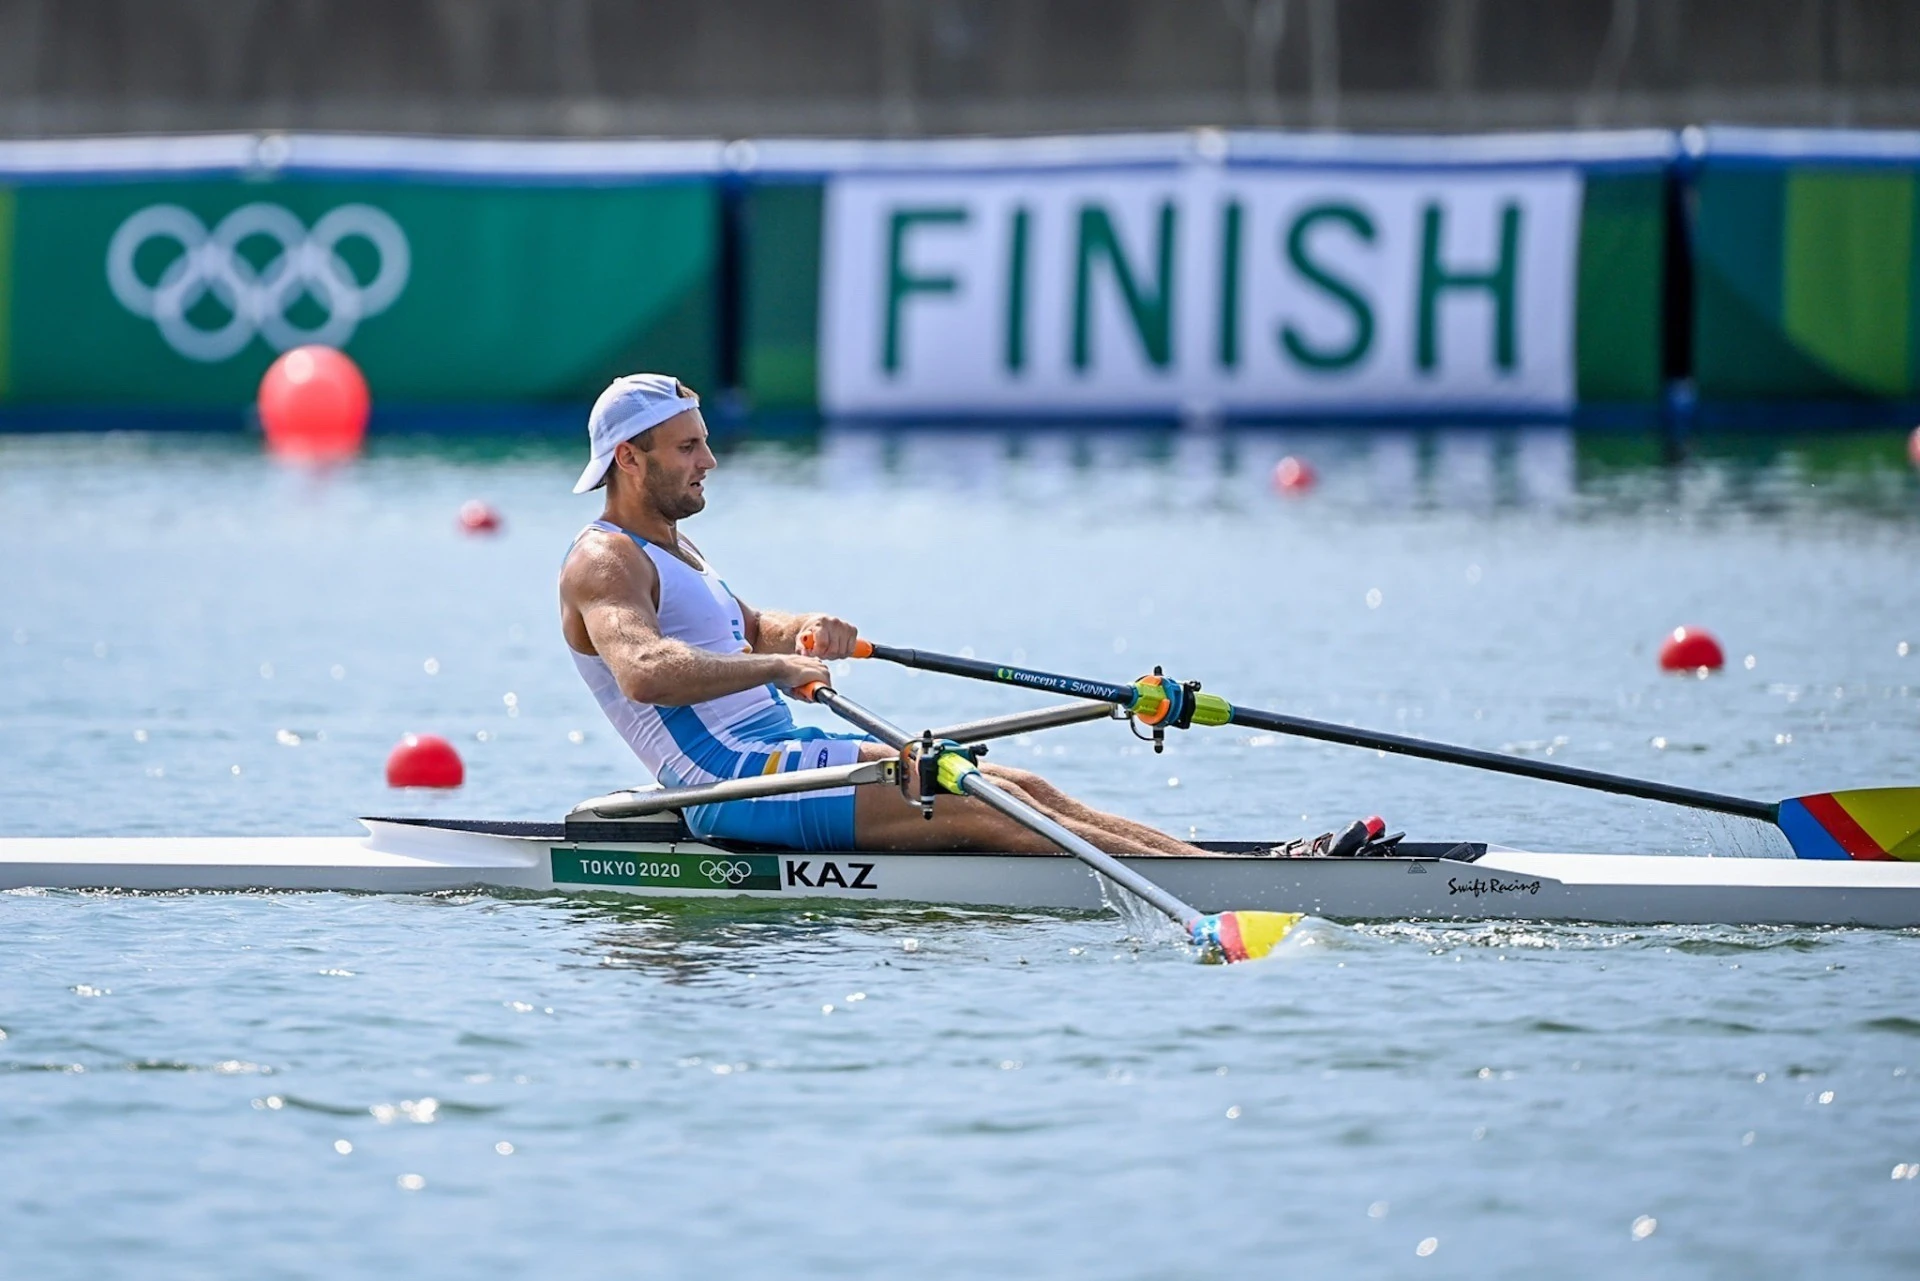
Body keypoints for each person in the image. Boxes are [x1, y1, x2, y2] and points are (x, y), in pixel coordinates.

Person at [556, 372, 1213, 857]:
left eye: (703, 443)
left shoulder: (676, 547)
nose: (709, 460)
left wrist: (804, 629)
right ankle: (1206, 887)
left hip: (777, 752)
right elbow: (644, 671)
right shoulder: (603, 559)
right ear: (629, 458)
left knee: (1017, 785)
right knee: (989, 810)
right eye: (687, 448)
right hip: (726, 780)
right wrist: (778, 667)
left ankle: (1206, 867)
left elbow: (748, 630)